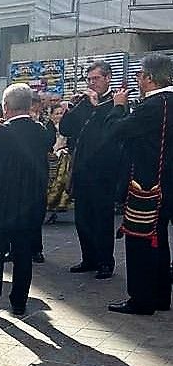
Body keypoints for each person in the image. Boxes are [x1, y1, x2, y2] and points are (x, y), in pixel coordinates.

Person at [0, 83, 52, 317]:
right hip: (29, 205)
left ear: (6, 107)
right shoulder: (41, 132)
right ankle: (19, 302)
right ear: (28, 106)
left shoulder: (0, 132)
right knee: (23, 256)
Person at [105, 54, 173, 315]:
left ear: (149, 78)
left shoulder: (151, 106)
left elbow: (116, 130)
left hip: (147, 186)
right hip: (168, 185)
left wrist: (118, 106)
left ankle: (142, 299)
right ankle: (160, 296)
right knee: (161, 240)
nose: (136, 80)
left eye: (139, 75)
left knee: (141, 242)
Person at [60, 60, 118, 279]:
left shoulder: (116, 102)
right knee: (82, 217)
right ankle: (89, 258)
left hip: (104, 171)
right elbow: (66, 129)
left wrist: (96, 106)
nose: (92, 83)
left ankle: (105, 261)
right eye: (89, 79)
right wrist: (69, 110)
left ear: (107, 78)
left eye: (96, 78)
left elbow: (111, 130)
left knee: (102, 218)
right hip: (82, 169)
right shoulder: (84, 101)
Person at [45, 103, 72, 223]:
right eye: (57, 113)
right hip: (52, 157)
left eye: (61, 113)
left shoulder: (68, 127)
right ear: (51, 116)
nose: (60, 116)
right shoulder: (49, 128)